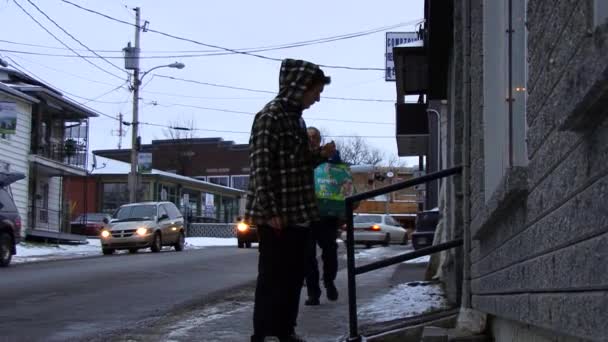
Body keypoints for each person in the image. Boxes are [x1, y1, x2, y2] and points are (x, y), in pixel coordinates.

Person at [246, 59, 335, 342]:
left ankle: (285, 330)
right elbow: (261, 166)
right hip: (276, 215)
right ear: (299, 88)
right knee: (273, 276)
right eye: (315, 91)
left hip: (298, 213)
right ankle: (264, 333)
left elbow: (296, 163)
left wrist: (319, 155)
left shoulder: (296, 119)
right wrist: (270, 211)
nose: (318, 98)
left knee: (294, 276)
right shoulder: (269, 116)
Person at [304, 127, 341, 306]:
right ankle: (313, 293)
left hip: (327, 214)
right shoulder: (301, 158)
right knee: (308, 256)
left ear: (319, 140)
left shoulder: (330, 155)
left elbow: (340, 174)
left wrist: (330, 154)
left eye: (314, 137)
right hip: (307, 214)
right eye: (308, 137)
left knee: (330, 251)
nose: (311, 140)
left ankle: (329, 281)